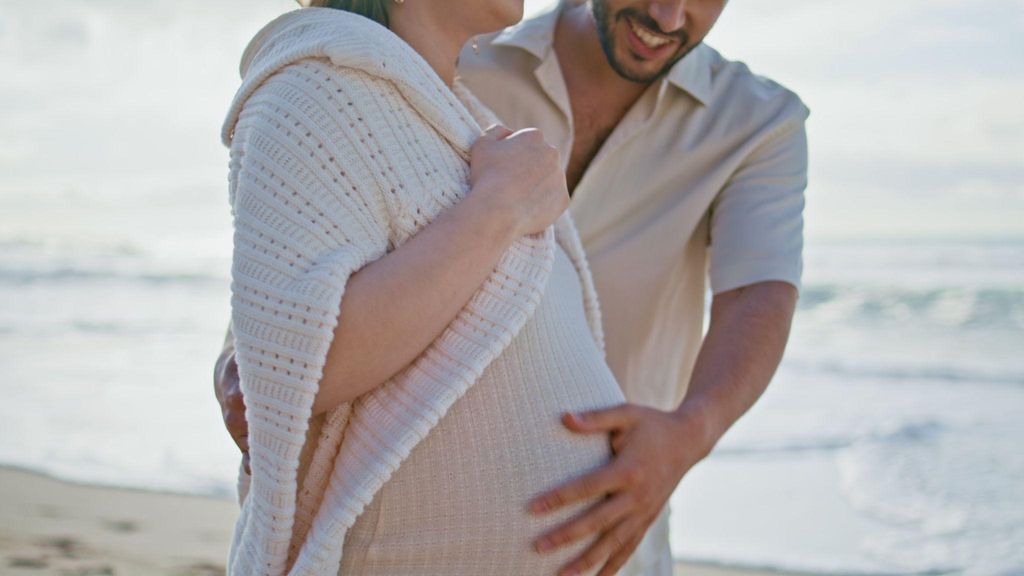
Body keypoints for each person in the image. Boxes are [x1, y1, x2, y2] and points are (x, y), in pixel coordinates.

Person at [216, 0, 810, 574]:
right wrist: (246, 354)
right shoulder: (449, 46)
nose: (668, 16)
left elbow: (758, 294)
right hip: (400, 516)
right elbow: (307, 219)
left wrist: (689, 434)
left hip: (625, 506)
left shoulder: (758, 122)